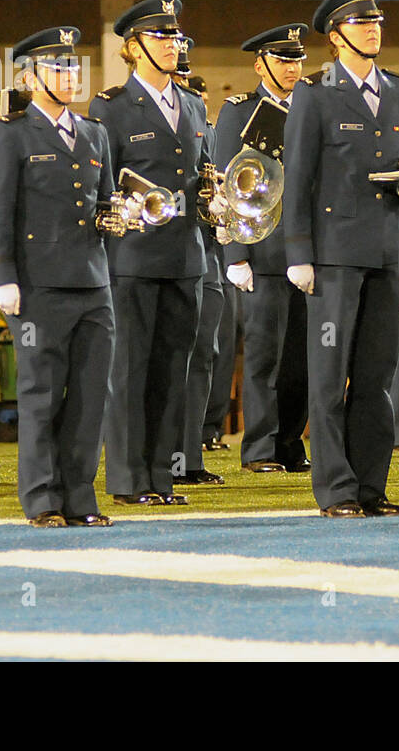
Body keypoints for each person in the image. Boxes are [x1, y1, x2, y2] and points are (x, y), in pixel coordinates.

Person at [283, 0, 399, 518]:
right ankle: (335, 487)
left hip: (390, 251)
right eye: (361, 23)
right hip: (335, 256)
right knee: (329, 377)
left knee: (378, 378)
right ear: (336, 36)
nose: (373, 29)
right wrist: (298, 253)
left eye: (377, 21)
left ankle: (371, 486)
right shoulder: (313, 94)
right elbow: (298, 177)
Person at [0, 27, 116, 527]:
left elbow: (100, 203)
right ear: (30, 77)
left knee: (88, 395)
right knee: (40, 394)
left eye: (72, 67)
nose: (68, 76)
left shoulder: (94, 132)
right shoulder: (11, 132)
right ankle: (41, 498)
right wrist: (2, 276)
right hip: (38, 286)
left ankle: (80, 497)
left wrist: (121, 215)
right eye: (57, 68)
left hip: (93, 281)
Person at [90, 0, 209, 508]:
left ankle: (161, 475)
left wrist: (212, 194)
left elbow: (201, 170)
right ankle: (128, 478)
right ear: (133, 47)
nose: (171, 44)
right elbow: (100, 184)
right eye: (159, 37)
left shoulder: (196, 104)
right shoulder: (111, 107)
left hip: (186, 256)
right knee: (130, 371)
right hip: (133, 257)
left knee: (172, 371)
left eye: (174, 36)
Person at [219, 24, 311, 475]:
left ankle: (291, 443)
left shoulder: (312, 107)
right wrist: (235, 253)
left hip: (308, 252)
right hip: (265, 251)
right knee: (263, 358)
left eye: (296, 60)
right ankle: (259, 448)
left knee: (302, 359)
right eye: (282, 60)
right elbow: (228, 185)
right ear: (261, 65)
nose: (292, 68)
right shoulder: (240, 111)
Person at [173, 37, 226, 487]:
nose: (181, 84)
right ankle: (159, 457)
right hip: (155, 253)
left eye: (185, 77)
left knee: (203, 354)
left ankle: (189, 456)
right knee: (163, 358)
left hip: (204, 250)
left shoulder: (198, 120)